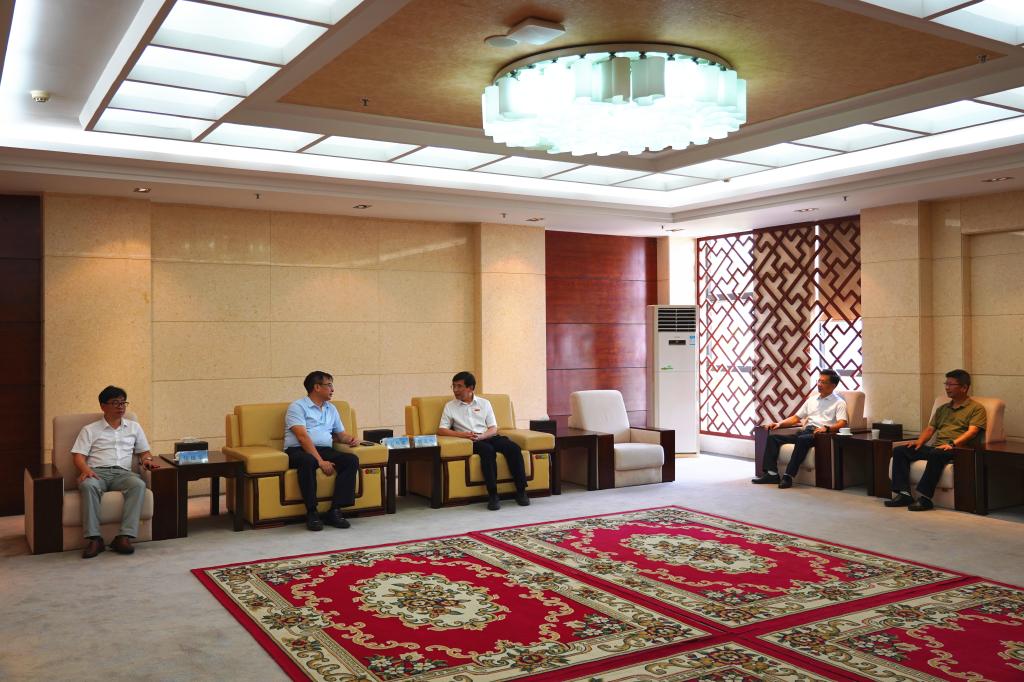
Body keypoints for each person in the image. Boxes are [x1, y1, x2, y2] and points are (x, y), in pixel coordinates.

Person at [71, 385, 160, 559]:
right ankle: (94, 539)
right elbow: (78, 456)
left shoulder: (134, 427)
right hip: (97, 472)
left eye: (123, 402)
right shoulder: (90, 429)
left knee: (138, 485)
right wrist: (86, 470)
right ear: (103, 406)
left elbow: (144, 453)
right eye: (115, 403)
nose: (121, 407)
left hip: (123, 474)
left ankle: (124, 537)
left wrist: (147, 461)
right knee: (88, 486)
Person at [885, 369, 986, 512]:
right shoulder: (943, 409)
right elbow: (930, 429)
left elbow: (972, 431)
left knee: (936, 453)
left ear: (964, 387)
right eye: (946, 384)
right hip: (938, 448)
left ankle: (925, 498)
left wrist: (952, 444)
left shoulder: (976, 408)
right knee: (900, 450)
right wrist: (919, 442)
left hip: (958, 449)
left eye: (951, 385)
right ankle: (904, 494)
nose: (947, 388)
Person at [437, 371, 529, 511]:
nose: (455, 390)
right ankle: (493, 494)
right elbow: (441, 430)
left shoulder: (484, 403)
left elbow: (493, 428)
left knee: (513, 448)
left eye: (459, 386)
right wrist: (463, 435)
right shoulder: (450, 406)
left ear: (471, 388)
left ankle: (521, 491)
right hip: (470, 441)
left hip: (487, 436)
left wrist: (483, 436)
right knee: (487, 451)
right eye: (453, 386)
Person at [283, 371, 360, 531]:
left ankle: (335, 510)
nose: (333, 389)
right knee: (308, 461)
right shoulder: (297, 407)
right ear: (317, 387)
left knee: (350, 460)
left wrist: (350, 439)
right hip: (298, 450)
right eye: (329, 385)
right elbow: (302, 437)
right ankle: (312, 512)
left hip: (325, 449)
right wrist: (320, 461)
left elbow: (340, 435)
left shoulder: (331, 408)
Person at [752, 369, 849, 489]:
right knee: (773, 438)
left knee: (802, 439)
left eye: (823, 382)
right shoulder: (812, 400)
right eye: (818, 381)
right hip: (806, 432)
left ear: (833, 385)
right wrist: (779, 424)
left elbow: (842, 422)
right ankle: (772, 474)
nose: (819, 384)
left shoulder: (839, 403)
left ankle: (788, 476)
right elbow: (796, 418)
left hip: (821, 435)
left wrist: (827, 429)